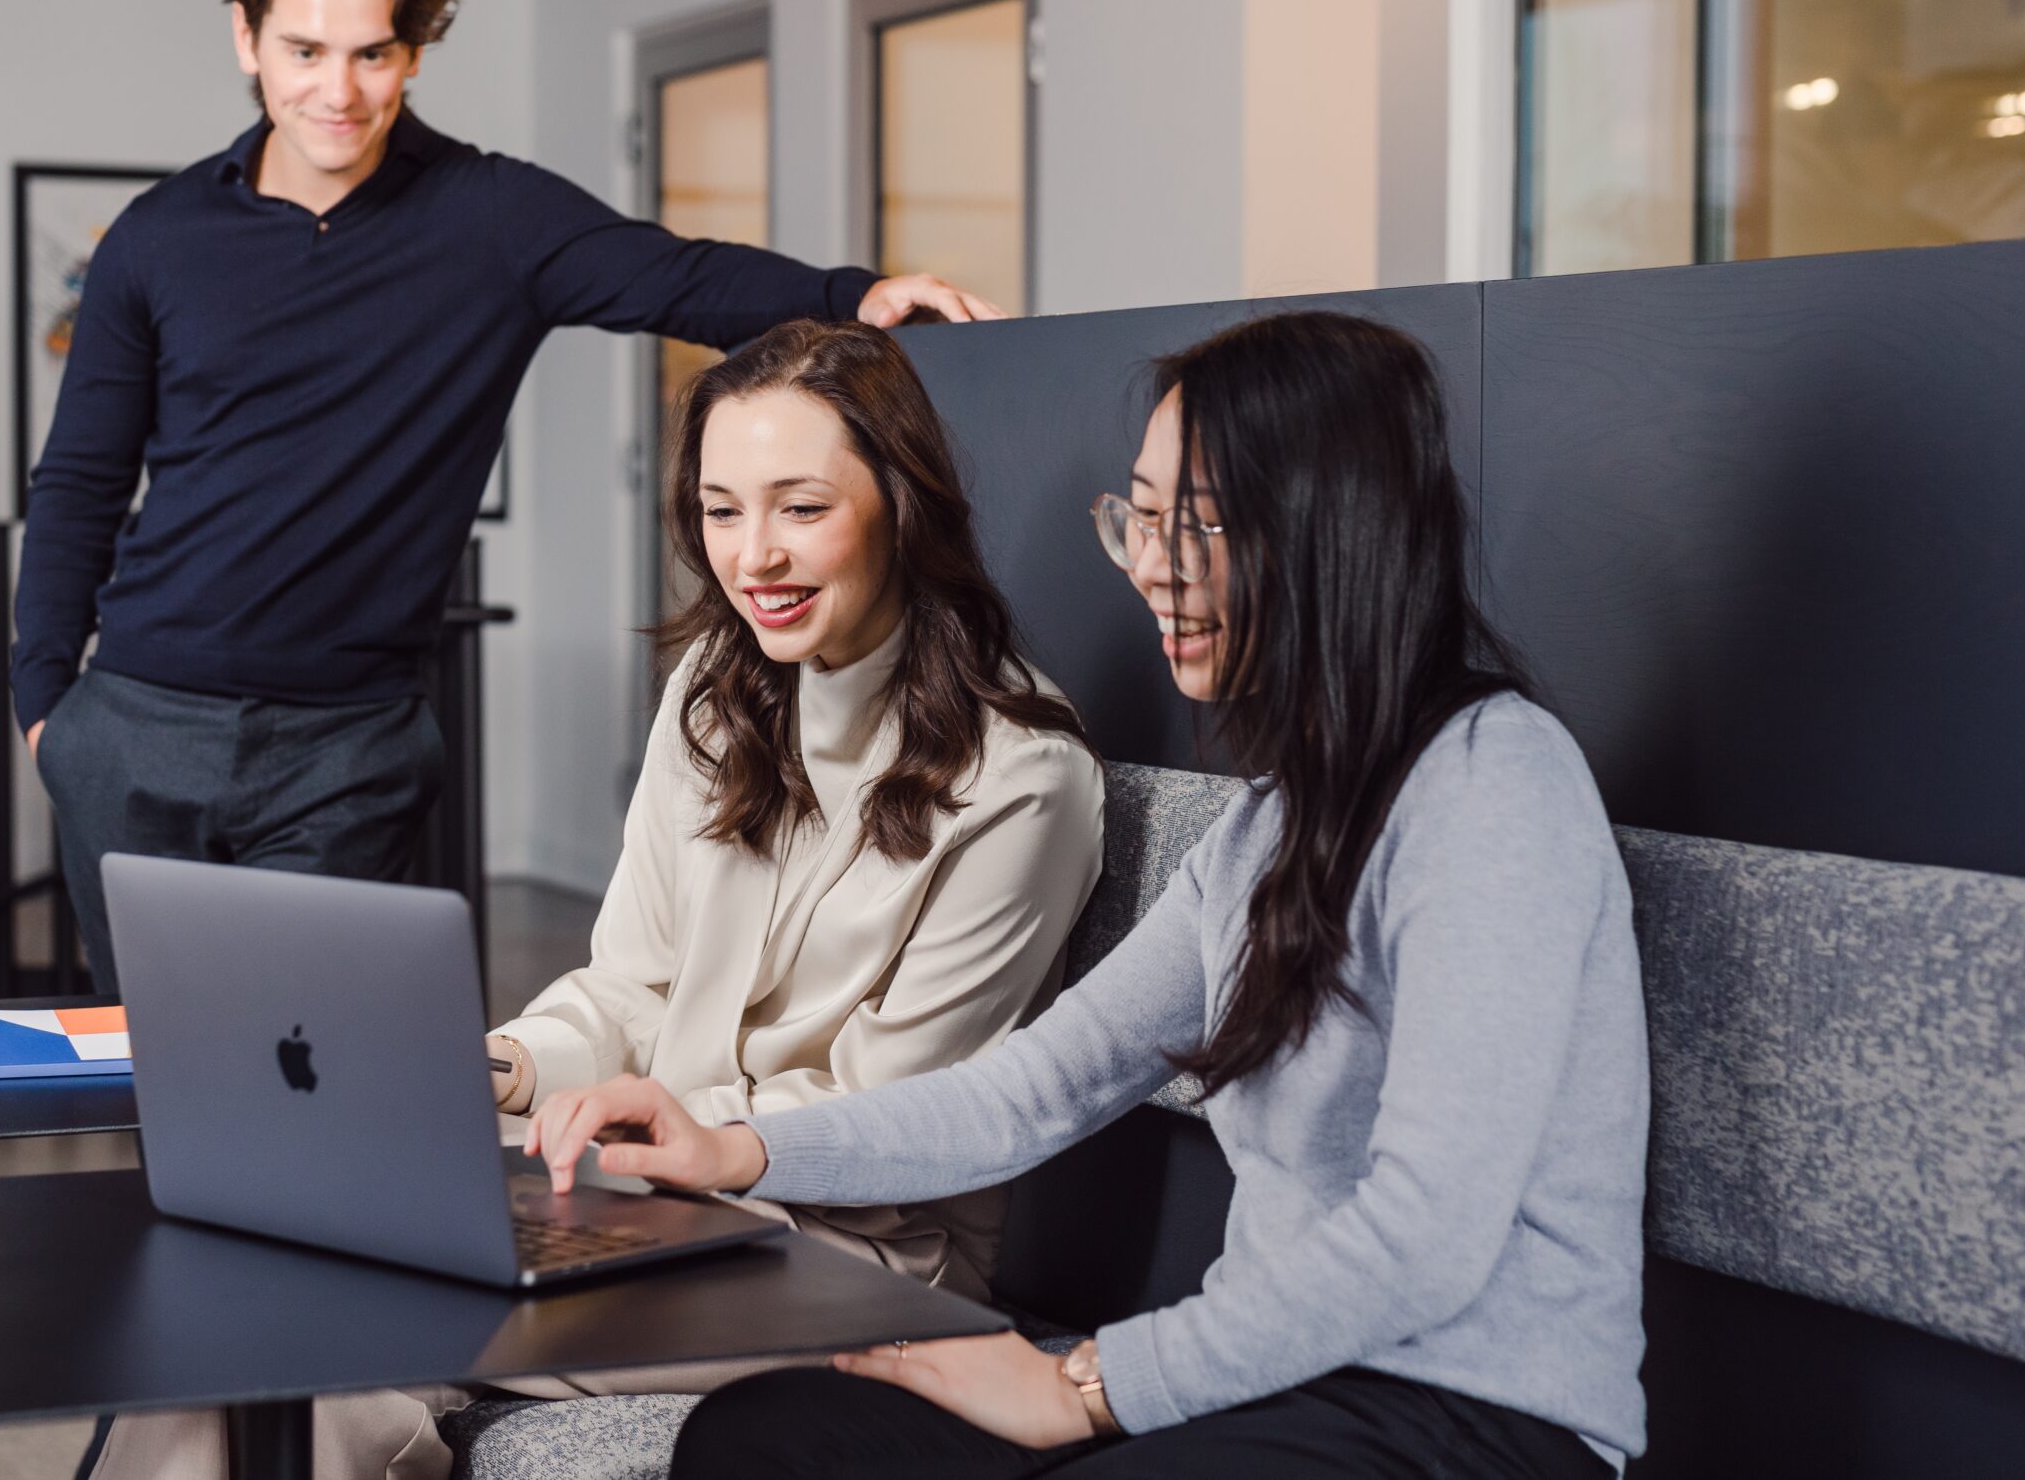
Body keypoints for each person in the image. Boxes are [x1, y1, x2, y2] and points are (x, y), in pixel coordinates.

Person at [532, 312, 1652, 1480]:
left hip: (1466, 1419)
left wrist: (1092, 1386)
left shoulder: (1493, 785)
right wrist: (734, 1150)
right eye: (1140, 519)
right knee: (767, 1437)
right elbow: (1032, 1091)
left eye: (1199, 524)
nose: (1152, 568)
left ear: (1332, 529)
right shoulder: (1267, 827)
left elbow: (1425, 1238)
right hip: (1261, 1387)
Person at [93, 319, 1105, 1479]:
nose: (753, 557)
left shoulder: (1022, 778)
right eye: (723, 511)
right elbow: (631, 982)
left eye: (800, 507)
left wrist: (661, 1131)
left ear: (904, 504)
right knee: (254, 1293)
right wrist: (507, 1066)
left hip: (847, 1254)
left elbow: (899, 1113)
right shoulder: (717, 697)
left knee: (311, 1317)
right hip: (644, 1192)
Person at [16, 0, 1001, 990]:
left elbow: (673, 274)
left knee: (320, 1081)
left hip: (347, 748)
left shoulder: (490, 219)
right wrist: (47, 708)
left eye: (372, 54)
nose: (337, 91)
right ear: (245, 39)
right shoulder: (157, 238)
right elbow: (79, 483)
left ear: (415, 50)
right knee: (161, 1078)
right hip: (136, 728)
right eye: (303, 52)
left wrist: (854, 292)